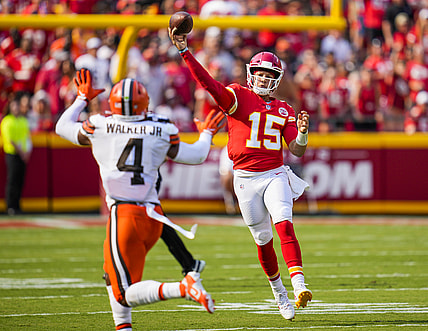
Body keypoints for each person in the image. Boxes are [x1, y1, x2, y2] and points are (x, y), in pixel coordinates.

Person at [55, 68, 225, 330]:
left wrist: (81, 98)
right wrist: (207, 134)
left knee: (124, 292)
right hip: (153, 219)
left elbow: (62, 127)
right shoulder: (161, 127)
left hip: (124, 216)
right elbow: (196, 156)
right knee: (111, 277)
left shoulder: (100, 125)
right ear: (145, 103)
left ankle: (184, 287)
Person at [169, 29, 312, 321]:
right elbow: (208, 84)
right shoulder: (238, 96)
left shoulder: (285, 109)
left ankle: (299, 286)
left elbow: (295, 150)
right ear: (251, 74)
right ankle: (279, 292)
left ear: (276, 79)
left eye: (267, 74)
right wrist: (186, 52)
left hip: (274, 174)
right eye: (258, 73)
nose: (262, 78)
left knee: (284, 223)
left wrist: (304, 135)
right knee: (263, 240)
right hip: (245, 179)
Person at [1, 97, 32, 215]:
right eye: (14, 106)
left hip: (23, 155)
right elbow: (10, 140)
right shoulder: (7, 121)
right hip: (12, 154)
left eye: (17, 106)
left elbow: (27, 137)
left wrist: (27, 152)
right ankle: (10, 206)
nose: (16, 108)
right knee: (12, 180)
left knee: (20, 180)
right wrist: (22, 152)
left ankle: (17, 204)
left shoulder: (23, 120)